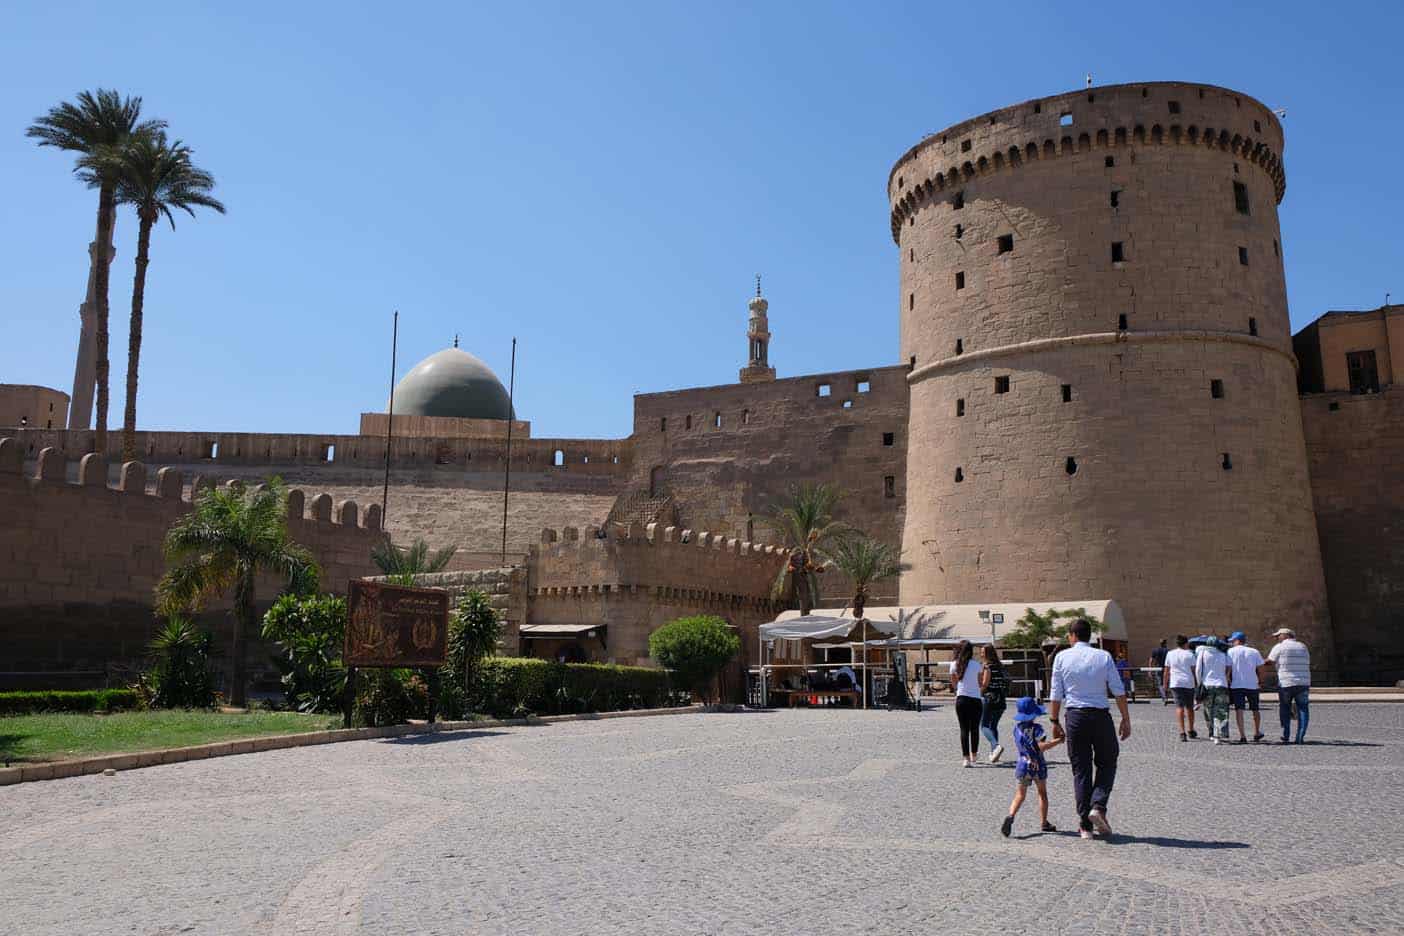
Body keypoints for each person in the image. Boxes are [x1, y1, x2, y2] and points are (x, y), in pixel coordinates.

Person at [1049, 619, 1131, 839]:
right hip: (1100, 717)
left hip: (1075, 717)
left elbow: (1056, 693)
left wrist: (1054, 721)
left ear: (1072, 635)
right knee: (1108, 761)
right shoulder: (1103, 656)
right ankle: (1099, 806)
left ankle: (1085, 825)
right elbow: (1118, 689)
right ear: (1089, 635)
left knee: (1081, 769)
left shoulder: (1061, 657)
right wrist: (1125, 718)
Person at [1001, 696, 1064, 837]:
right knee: (1042, 793)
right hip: (1038, 765)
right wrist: (1058, 741)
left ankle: (1011, 815)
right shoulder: (1037, 729)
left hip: (1023, 764)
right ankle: (1044, 822)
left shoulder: (1016, 729)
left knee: (1020, 794)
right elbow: (1041, 746)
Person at [1266, 627, 1311, 743]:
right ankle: (1300, 737)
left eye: (1278, 636)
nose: (1277, 638)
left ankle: (1286, 735)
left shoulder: (1280, 647)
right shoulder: (1303, 646)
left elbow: (1270, 661)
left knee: (1285, 708)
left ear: (1285, 635)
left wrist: (1259, 663)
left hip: (1286, 683)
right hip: (1303, 682)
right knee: (1303, 709)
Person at [950, 639, 985, 767]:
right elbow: (980, 682)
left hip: (961, 699)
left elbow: (953, 682)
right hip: (975, 699)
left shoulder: (954, 664)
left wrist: (958, 690)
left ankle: (966, 758)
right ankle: (974, 754)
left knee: (964, 729)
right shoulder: (977, 665)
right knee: (974, 728)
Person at [1226, 631, 1266, 743]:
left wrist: (1228, 679)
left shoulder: (1230, 652)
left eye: (1232, 641)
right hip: (1252, 684)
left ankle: (1242, 736)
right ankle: (1256, 732)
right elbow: (1261, 669)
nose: (1232, 643)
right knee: (1255, 709)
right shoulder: (1254, 651)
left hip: (1237, 685)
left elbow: (1228, 669)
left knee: (1239, 710)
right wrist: (1261, 681)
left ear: (1237, 640)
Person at [1196, 635, 1231, 743]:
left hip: (1207, 685)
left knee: (1208, 710)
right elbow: (1228, 668)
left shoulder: (1202, 653)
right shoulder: (1223, 654)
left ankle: (1211, 733)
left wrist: (1199, 683)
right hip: (1222, 685)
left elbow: (1198, 670)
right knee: (1221, 711)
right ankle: (1218, 735)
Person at [1162, 634, 1198, 741]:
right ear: (1186, 643)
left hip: (1176, 683)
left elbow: (1166, 671)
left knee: (1179, 707)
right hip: (1188, 682)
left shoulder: (1170, 654)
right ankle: (1191, 730)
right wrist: (1196, 682)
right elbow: (1193, 670)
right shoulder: (1190, 654)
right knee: (1190, 707)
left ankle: (1182, 732)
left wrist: (1165, 684)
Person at [979, 645, 1010, 763]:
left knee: (984, 725)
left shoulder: (988, 667)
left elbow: (985, 683)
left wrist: (979, 693)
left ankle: (995, 746)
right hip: (1001, 699)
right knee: (994, 726)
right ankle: (994, 753)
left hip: (990, 698)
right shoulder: (1000, 666)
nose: (981, 654)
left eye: (982, 652)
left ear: (987, 654)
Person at [1149, 640, 1169, 704]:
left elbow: (1151, 660)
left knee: (1160, 684)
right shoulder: (1168, 651)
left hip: (1158, 668)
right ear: (1165, 643)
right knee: (1166, 683)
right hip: (1166, 668)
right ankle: (1165, 696)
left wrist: (1150, 669)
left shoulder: (1155, 650)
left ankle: (1164, 697)